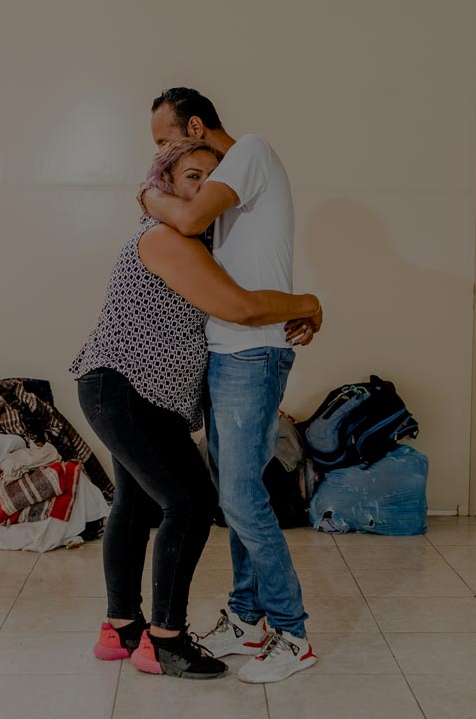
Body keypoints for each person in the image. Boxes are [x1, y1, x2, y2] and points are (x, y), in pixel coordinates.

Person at [72, 138, 322, 680]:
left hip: (128, 391)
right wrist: (307, 303)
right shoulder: (168, 240)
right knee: (190, 501)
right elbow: (240, 306)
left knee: (135, 506)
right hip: (127, 391)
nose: (205, 189)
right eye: (192, 176)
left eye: (211, 179)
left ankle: (120, 629)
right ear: (167, 183)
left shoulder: (181, 239)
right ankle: (165, 641)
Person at [140, 87, 320, 684]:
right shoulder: (222, 184)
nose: (164, 160)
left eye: (167, 141)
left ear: (196, 125)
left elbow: (185, 216)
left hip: (251, 354)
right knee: (234, 495)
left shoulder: (250, 151)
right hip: (227, 354)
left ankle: (292, 634)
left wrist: (145, 195)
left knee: (243, 498)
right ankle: (247, 619)